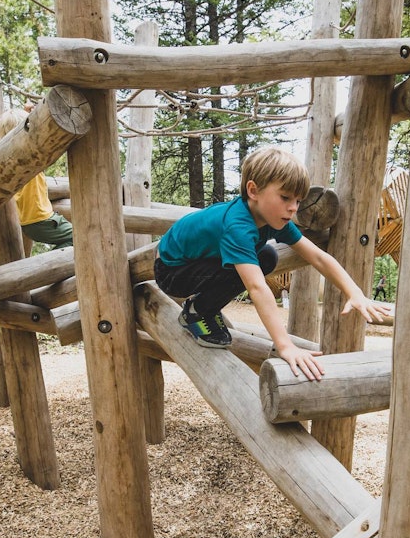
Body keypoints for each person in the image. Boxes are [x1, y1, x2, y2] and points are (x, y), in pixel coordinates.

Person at [154, 147, 392, 381]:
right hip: (172, 272)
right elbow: (257, 288)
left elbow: (318, 256)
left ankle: (204, 305)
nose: (293, 208)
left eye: (298, 200)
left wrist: (355, 292)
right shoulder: (238, 226)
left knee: (267, 256)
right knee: (255, 263)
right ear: (253, 190)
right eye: (285, 197)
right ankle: (197, 312)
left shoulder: (272, 218)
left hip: (197, 261)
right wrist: (285, 345)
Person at [0, 106, 74, 251]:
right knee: (81, 237)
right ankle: (51, 266)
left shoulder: (11, 157)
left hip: (30, 223)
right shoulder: (30, 154)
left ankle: (52, 262)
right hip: (42, 221)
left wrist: (30, 113)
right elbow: (44, 135)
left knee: (76, 238)